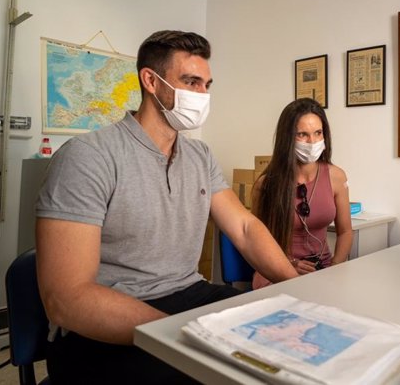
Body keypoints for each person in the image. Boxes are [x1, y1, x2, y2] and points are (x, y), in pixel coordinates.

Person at [35, 30, 298, 384]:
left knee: (286, 343)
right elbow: (67, 298)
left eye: (207, 85)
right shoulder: (88, 157)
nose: (202, 96)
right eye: (191, 82)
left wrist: (295, 285)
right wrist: (180, 336)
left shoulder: (200, 156)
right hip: (106, 319)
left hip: (190, 293)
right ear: (151, 81)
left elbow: (245, 228)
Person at [251, 98, 353, 289]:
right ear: (287, 138)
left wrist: (335, 268)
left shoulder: (337, 176)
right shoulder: (266, 184)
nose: (312, 142)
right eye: (302, 135)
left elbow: (346, 231)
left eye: (318, 133)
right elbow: (255, 242)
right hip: (277, 274)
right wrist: (289, 266)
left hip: (323, 271)